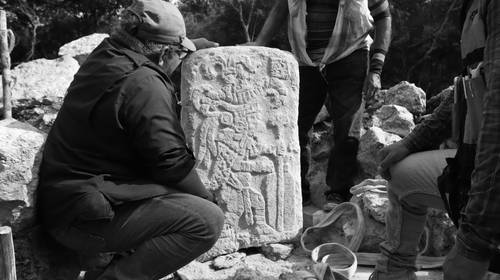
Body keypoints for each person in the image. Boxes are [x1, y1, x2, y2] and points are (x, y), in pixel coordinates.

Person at [36, 0, 224, 279]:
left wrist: (189, 45)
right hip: (82, 220)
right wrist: (208, 197)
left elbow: (145, 61)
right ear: (166, 52)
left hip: (63, 201)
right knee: (206, 219)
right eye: (179, 52)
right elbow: (171, 163)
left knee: (173, 195)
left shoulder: (107, 54)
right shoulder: (145, 85)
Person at [372, 0, 500, 279]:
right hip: (480, 162)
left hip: (492, 174)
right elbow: (465, 89)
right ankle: (394, 273)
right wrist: (410, 143)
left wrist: (474, 242)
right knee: (400, 171)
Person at [251, 0, 392, 206]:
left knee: (347, 126)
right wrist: (259, 43)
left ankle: (338, 192)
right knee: (294, 125)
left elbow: (383, 17)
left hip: (350, 54)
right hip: (307, 59)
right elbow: (281, 8)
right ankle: (296, 191)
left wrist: (376, 69)